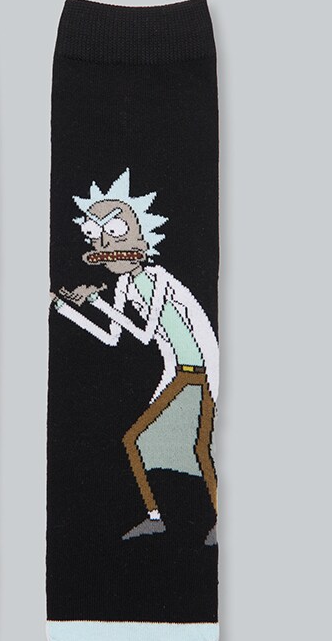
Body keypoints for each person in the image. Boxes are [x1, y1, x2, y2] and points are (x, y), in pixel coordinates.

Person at [51, 169, 219, 544]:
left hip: (195, 372)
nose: (104, 243)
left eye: (114, 231)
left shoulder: (158, 278)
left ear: (141, 238)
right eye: (94, 235)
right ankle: (160, 516)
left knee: (180, 445)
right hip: (176, 372)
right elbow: (112, 338)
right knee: (153, 443)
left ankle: (204, 519)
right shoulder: (125, 283)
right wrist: (66, 308)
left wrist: (98, 301)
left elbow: (143, 334)